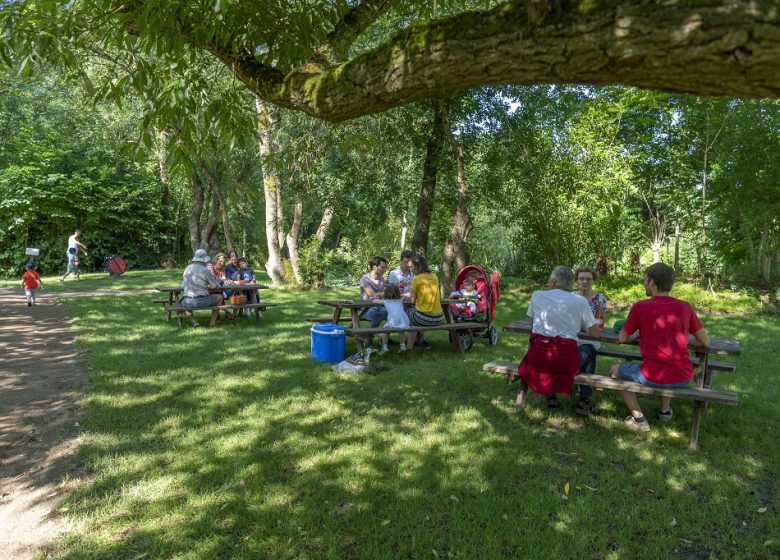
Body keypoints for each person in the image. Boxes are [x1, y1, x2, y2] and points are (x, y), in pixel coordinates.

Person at [609, 262, 710, 432]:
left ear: (652, 282)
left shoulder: (640, 307)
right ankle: (664, 413)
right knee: (666, 365)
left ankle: (639, 419)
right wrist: (680, 336)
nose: (644, 284)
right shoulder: (685, 307)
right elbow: (705, 342)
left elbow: (623, 337)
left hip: (651, 376)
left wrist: (638, 333)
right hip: (684, 376)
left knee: (614, 370)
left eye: (645, 280)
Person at [515, 266, 603, 412]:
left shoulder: (536, 295)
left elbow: (532, 323)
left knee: (554, 353)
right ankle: (584, 400)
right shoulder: (580, 301)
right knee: (589, 349)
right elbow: (595, 333)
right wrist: (590, 326)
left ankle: (551, 398)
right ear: (571, 283)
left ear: (553, 281)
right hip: (565, 363)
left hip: (537, 360)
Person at [570, 266, 609, 416]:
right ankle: (584, 397)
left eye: (588, 279)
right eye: (581, 278)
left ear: (593, 281)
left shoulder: (600, 299)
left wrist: (584, 326)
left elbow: (599, 324)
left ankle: (583, 395)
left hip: (591, 337)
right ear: (576, 280)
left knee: (588, 348)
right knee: (587, 353)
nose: (585, 281)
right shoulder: (571, 297)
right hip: (572, 336)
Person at [404, 254, 444, 351]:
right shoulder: (434, 276)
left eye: (411, 267)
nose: (410, 269)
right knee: (415, 314)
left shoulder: (416, 279)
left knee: (406, 311)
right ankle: (420, 340)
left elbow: (412, 301)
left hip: (423, 319)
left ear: (417, 266)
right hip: (438, 318)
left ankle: (408, 347)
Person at [180, 249, 224, 328]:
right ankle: (212, 322)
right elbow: (216, 287)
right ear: (204, 260)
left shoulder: (187, 268)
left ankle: (194, 322)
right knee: (220, 297)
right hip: (202, 301)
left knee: (182, 303)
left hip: (188, 301)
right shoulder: (205, 270)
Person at [372, 284, 409, 354]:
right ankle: (402, 346)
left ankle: (384, 347)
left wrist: (374, 297)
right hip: (404, 320)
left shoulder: (386, 301)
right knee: (401, 330)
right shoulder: (399, 301)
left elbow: (374, 301)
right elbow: (402, 297)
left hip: (393, 321)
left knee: (384, 330)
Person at [359, 256, 388, 328]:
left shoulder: (382, 279)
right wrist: (383, 294)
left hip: (380, 306)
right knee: (377, 316)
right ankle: (368, 337)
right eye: (382, 267)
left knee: (393, 314)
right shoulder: (365, 279)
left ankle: (385, 338)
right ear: (375, 267)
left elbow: (383, 294)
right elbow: (372, 295)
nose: (384, 269)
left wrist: (382, 294)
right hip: (366, 308)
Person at [207, 252, 235, 320]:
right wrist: (222, 281)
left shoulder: (223, 269)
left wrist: (228, 281)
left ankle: (218, 317)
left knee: (220, 294)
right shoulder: (210, 266)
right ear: (216, 260)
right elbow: (212, 278)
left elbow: (223, 279)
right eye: (220, 260)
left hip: (217, 289)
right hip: (208, 289)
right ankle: (226, 311)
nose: (222, 262)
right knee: (220, 295)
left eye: (224, 261)